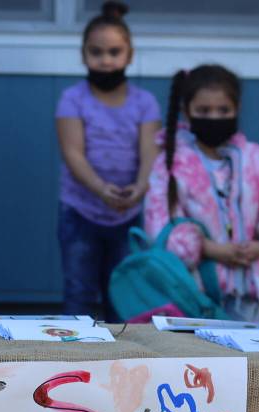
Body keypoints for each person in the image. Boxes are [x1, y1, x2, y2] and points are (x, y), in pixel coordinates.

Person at [144, 65, 259, 324]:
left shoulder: (254, 159)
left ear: (237, 109)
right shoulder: (173, 164)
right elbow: (160, 227)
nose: (214, 117)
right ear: (186, 112)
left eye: (223, 110)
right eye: (203, 111)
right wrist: (210, 249)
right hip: (196, 297)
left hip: (257, 296)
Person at [55, 1, 159, 321]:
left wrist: (140, 187)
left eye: (114, 52)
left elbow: (149, 152)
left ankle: (121, 364)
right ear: (83, 54)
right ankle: (74, 359)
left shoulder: (145, 103)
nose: (105, 60)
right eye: (96, 52)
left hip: (127, 214)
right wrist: (101, 189)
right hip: (80, 211)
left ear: (129, 54)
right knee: (79, 293)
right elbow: (73, 153)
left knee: (123, 295)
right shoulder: (73, 99)